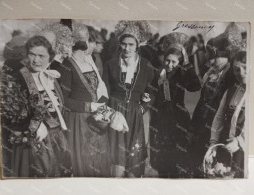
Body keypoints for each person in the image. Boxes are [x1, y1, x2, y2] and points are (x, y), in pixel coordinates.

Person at [1, 36, 71, 177]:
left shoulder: (52, 77)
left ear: (50, 57)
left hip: (56, 139)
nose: (36, 60)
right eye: (32, 54)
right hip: (31, 143)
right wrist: (35, 124)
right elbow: (9, 115)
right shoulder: (17, 78)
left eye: (41, 56)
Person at [103, 21, 155, 177]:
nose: (127, 48)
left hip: (135, 113)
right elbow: (104, 91)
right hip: (115, 111)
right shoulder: (110, 64)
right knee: (116, 157)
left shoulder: (146, 65)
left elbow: (152, 91)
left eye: (131, 44)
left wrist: (142, 108)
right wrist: (108, 112)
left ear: (137, 45)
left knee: (134, 156)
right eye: (124, 44)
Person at [58, 23, 111, 177]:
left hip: (96, 118)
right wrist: (90, 106)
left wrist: (102, 108)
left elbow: (100, 89)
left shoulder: (89, 62)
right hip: (79, 121)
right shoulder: (67, 66)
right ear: (86, 42)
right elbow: (64, 101)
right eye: (90, 40)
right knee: (84, 161)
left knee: (99, 159)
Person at [191, 23, 243, 177]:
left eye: (216, 56)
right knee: (201, 163)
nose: (211, 60)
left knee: (218, 168)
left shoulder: (232, 74)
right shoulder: (211, 74)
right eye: (210, 56)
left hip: (220, 127)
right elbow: (201, 102)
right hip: (204, 124)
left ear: (226, 56)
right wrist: (193, 126)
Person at [150, 32, 201, 178]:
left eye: (174, 62)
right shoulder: (158, 73)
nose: (170, 65)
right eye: (167, 60)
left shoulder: (182, 74)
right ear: (163, 58)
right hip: (159, 121)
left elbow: (195, 86)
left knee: (177, 161)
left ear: (179, 63)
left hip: (178, 120)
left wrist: (187, 64)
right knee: (161, 160)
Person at [206, 51, 247, 178]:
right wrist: (213, 143)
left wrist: (240, 142)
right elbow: (219, 117)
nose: (241, 73)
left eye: (245, 67)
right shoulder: (231, 90)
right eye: (237, 69)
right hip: (226, 146)